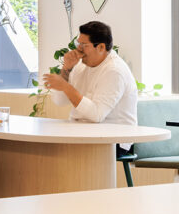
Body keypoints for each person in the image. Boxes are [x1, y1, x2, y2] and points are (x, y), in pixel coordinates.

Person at [43, 21, 137, 153]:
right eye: (78, 44)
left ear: (101, 47)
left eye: (84, 45)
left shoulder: (114, 71)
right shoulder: (81, 65)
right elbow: (59, 101)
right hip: (82, 133)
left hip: (113, 140)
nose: (79, 49)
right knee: (45, 146)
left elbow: (96, 115)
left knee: (58, 152)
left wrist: (65, 86)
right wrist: (66, 69)